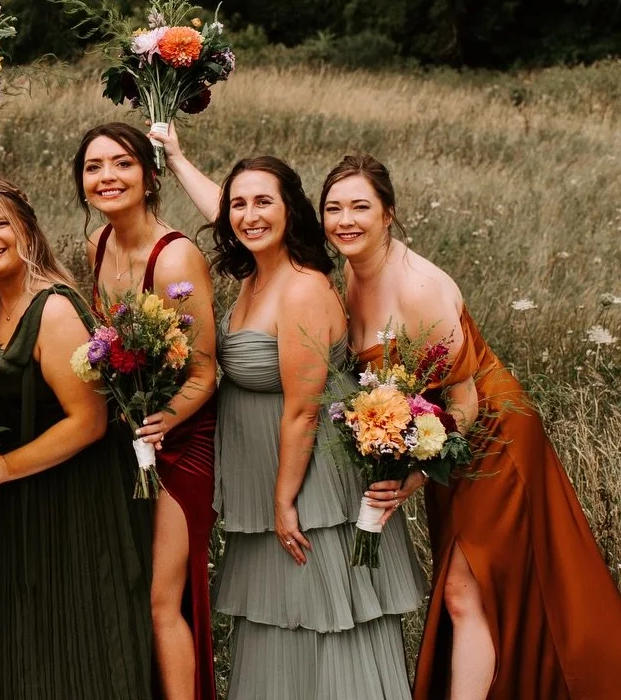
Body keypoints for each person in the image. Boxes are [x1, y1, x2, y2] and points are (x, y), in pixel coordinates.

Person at [322, 152, 621, 700]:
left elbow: (464, 403)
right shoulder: (353, 266)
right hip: (430, 440)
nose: (346, 220)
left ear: (389, 213)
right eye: (334, 208)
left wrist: (413, 474)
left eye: (361, 206)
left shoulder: (420, 289)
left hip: (488, 440)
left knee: (466, 590)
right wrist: (173, 153)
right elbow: (248, 218)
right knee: (479, 590)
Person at [167, 140, 421, 700]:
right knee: (278, 623)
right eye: (238, 205)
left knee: (326, 622)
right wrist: (178, 156)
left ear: (291, 212)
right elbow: (229, 212)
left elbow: (304, 408)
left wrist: (283, 500)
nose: (249, 216)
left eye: (264, 203)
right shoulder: (254, 279)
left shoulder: (303, 287)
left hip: (307, 484)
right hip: (267, 478)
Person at [0, 175, 153, 700]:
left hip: (71, 502)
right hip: (16, 504)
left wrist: (4, 467)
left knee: (73, 642)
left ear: (28, 232)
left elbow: (89, 421)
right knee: (22, 642)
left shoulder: (55, 309)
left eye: (1, 224)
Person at [78, 122, 217, 700]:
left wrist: (163, 420)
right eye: (93, 167)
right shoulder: (99, 246)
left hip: (180, 438)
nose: (107, 176)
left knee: (165, 597)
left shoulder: (176, 255)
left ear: (150, 174)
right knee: (132, 589)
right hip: (129, 434)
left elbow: (206, 371)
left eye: (122, 163)